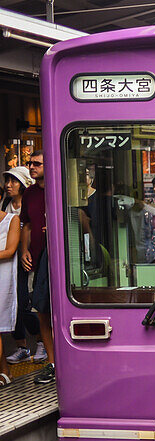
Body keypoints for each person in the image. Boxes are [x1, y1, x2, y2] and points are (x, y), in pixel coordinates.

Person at [20, 149, 56, 384]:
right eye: (30, 163)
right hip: (36, 258)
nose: (32, 167)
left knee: (58, 312)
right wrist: (24, 250)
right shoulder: (30, 193)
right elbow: (27, 224)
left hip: (58, 259)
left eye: (37, 164)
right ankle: (52, 363)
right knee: (41, 310)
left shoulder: (58, 186)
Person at [2, 166, 44, 366]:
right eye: (7, 181)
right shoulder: (5, 206)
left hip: (27, 259)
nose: (9, 185)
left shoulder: (28, 205)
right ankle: (21, 346)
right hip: (9, 262)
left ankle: (41, 340)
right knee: (13, 304)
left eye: (13, 181)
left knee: (27, 302)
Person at [0, 181, 23, 386]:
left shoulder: (12, 220)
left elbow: (10, 250)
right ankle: (5, 371)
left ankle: (5, 372)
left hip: (3, 277)